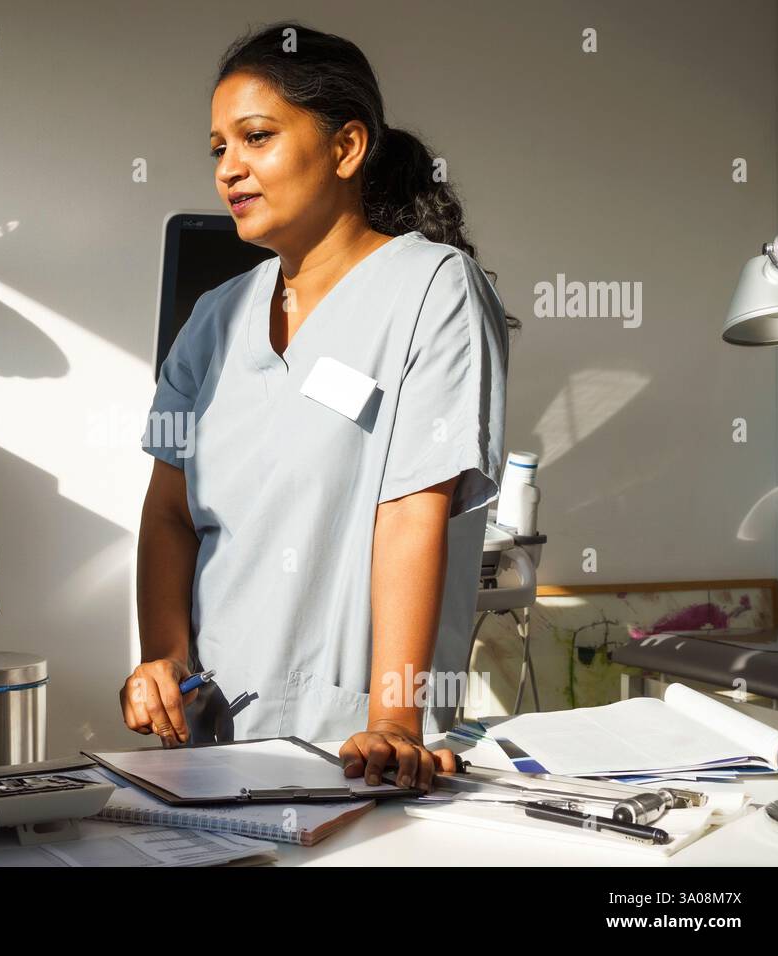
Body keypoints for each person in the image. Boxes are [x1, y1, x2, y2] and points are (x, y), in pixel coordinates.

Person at [120, 23, 514, 792]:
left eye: (256, 138)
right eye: (216, 149)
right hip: (213, 742)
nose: (228, 168)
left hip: (363, 751)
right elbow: (168, 512)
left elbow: (411, 510)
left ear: (346, 148)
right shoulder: (212, 319)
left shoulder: (434, 290)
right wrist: (164, 659)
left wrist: (397, 719)